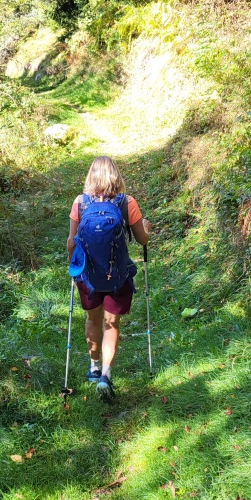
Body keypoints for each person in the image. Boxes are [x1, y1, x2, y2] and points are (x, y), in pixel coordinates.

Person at [67, 156, 151, 398]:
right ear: (116, 175)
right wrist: (146, 228)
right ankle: (106, 374)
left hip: (88, 276)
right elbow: (142, 240)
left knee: (92, 319)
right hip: (118, 274)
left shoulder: (80, 203)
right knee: (111, 323)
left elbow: (71, 242)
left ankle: (93, 368)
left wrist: (74, 264)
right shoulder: (127, 202)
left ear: (90, 176)